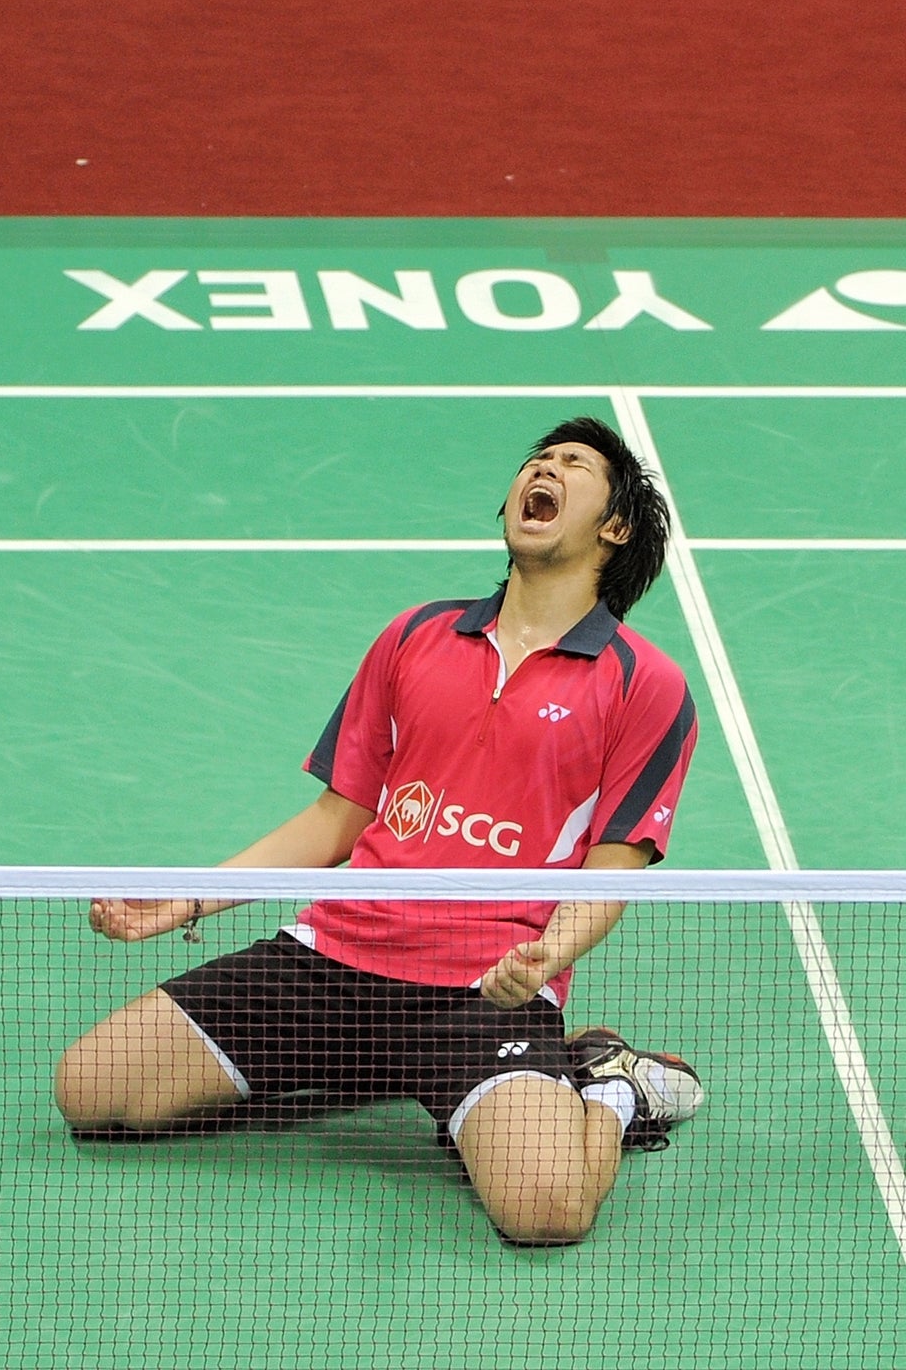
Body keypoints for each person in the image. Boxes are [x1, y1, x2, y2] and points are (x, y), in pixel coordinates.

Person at [55, 417, 706, 1246]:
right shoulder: (415, 636)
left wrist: (553, 951)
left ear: (614, 528)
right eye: (536, 461)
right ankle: (373, 1064)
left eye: (573, 465)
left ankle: (611, 1088)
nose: (543, 469)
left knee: (547, 1211)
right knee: (90, 1089)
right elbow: (337, 818)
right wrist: (189, 898)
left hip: (486, 989)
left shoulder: (644, 684)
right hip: (332, 959)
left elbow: (614, 868)